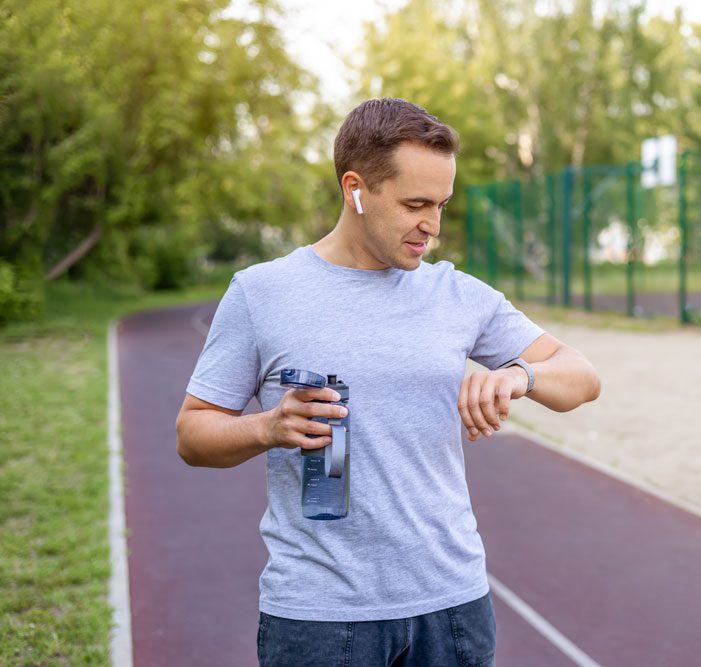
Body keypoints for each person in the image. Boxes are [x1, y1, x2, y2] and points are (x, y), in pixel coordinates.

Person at [175, 97, 600, 667]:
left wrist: (520, 376)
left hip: (454, 609)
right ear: (356, 188)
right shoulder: (261, 293)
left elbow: (582, 378)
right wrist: (269, 427)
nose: (434, 225)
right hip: (319, 618)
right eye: (416, 204)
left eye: (443, 204)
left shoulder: (458, 294)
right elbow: (192, 435)